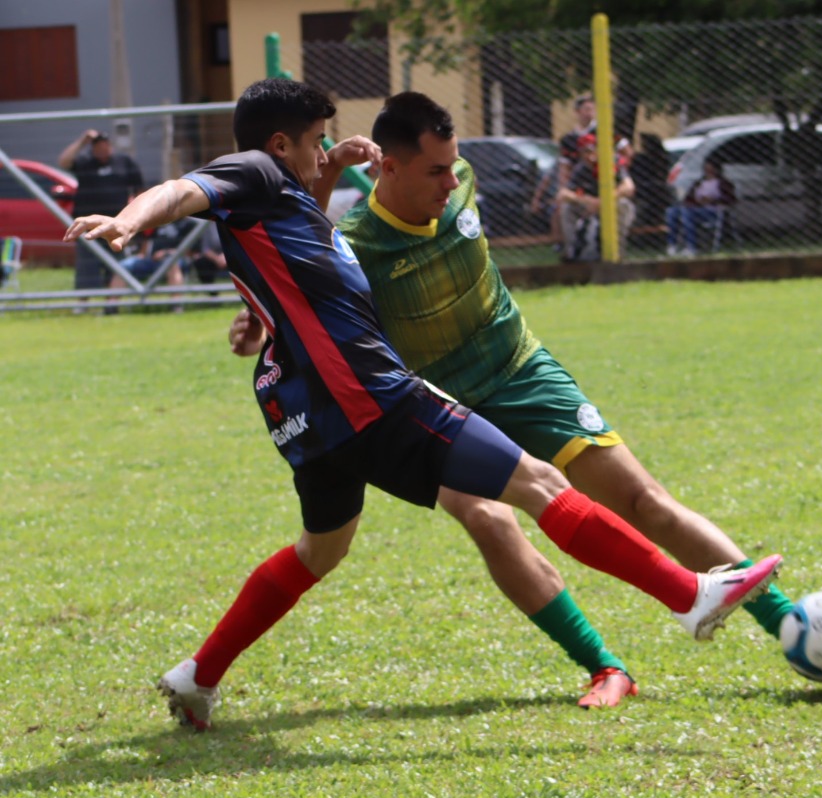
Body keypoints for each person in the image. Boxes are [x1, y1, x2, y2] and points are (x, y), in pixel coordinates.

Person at [64, 78, 782, 731]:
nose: (324, 153)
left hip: (306, 413)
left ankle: (198, 674)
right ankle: (689, 596)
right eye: (315, 143)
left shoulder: (286, 204)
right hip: (370, 396)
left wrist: (334, 171)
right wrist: (131, 220)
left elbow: (300, 246)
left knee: (321, 548)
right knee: (538, 483)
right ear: (281, 145)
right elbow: (182, 189)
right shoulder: (256, 169)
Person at [305, 90, 822, 703]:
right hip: (439, 399)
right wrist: (331, 172)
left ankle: (792, 626)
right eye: (435, 171)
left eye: (454, 165)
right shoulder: (355, 240)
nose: (452, 181)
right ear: (388, 169)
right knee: (489, 518)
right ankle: (606, 667)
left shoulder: (463, 181)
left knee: (644, 499)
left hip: (519, 368)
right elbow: (300, 257)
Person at [58, 129, 144, 303]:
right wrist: (82, 141)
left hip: (116, 226)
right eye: (98, 146)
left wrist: (133, 214)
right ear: (93, 148)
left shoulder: (123, 161)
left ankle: (112, 304)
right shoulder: (85, 162)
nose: (102, 149)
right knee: (86, 267)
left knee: (118, 265)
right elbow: (64, 162)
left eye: (105, 145)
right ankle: (82, 304)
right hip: (88, 228)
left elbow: (139, 190)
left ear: (110, 146)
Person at [556, 133, 636, 261]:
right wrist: (586, 200)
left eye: (592, 150)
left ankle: (617, 254)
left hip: (611, 204)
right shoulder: (581, 168)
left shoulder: (612, 162)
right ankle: (573, 252)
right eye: (585, 152)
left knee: (624, 205)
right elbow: (563, 193)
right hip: (590, 206)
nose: (589, 156)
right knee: (567, 208)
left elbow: (629, 187)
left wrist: (604, 201)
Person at [105, 218, 193, 312]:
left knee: (171, 264)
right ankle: (111, 306)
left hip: (174, 259)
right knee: (123, 265)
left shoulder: (187, 223)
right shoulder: (157, 219)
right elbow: (146, 242)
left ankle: (176, 305)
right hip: (151, 260)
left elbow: (190, 251)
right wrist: (142, 255)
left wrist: (165, 253)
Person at [665, 159, 736, 257]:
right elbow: (688, 199)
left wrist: (712, 200)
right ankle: (672, 245)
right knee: (671, 211)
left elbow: (730, 199)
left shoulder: (723, 183)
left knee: (687, 213)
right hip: (696, 209)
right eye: (706, 168)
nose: (708, 171)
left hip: (713, 211)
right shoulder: (699, 183)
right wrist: (698, 202)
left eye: (711, 168)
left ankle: (692, 247)